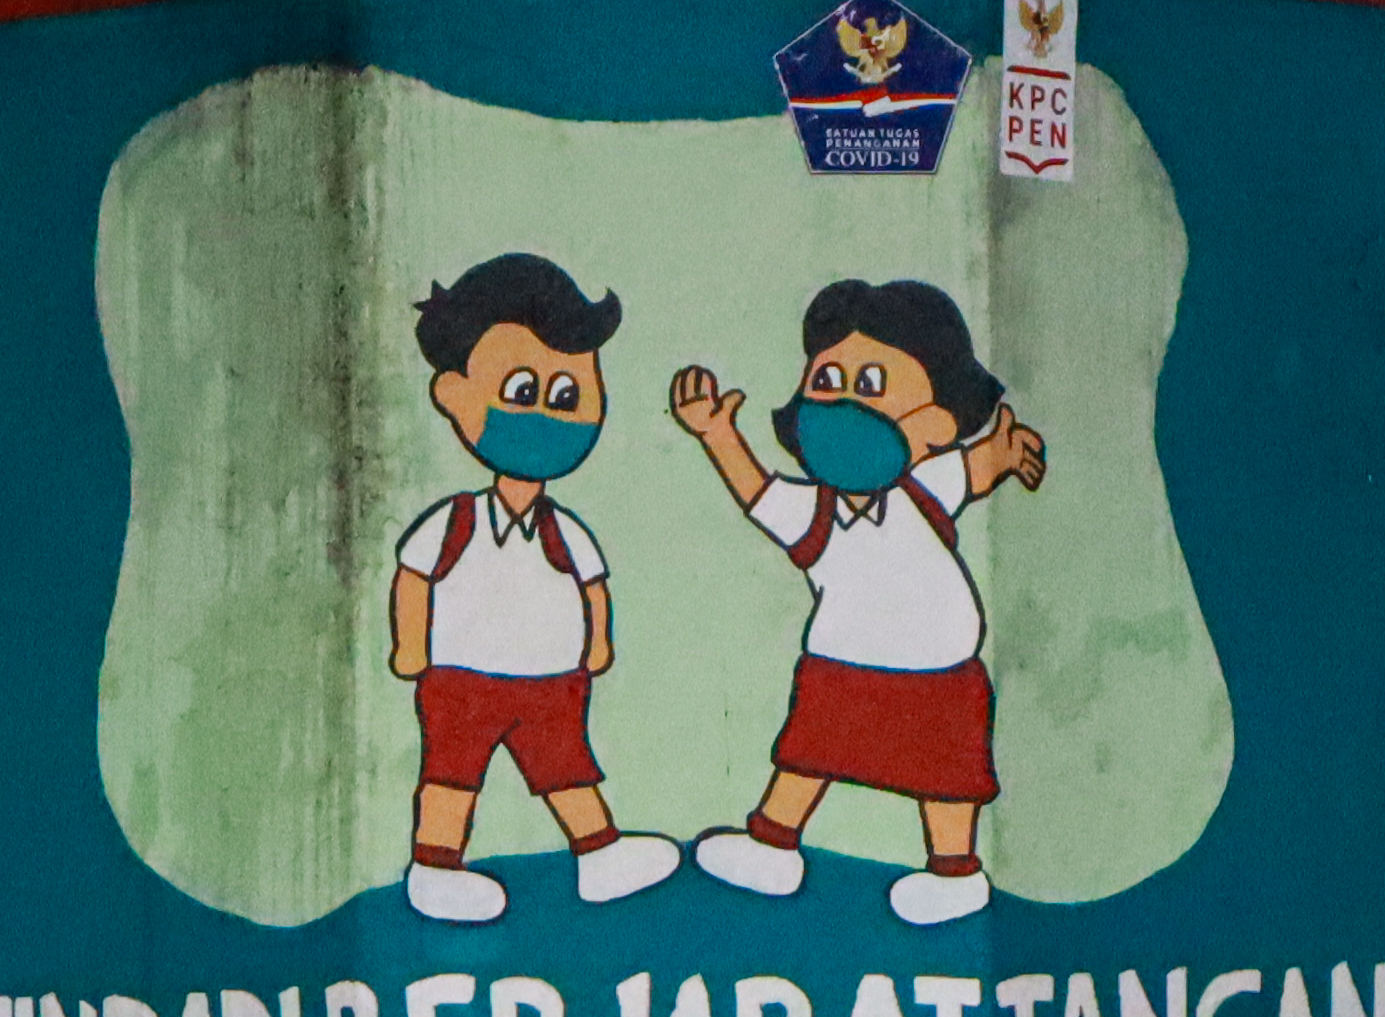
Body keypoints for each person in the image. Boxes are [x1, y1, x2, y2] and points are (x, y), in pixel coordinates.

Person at [670, 276, 1048, 928]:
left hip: (942, 681)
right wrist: (716, 435)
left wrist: (1006, 452)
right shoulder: (810, 510)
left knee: (949, 781)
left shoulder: (927, 487)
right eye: (827, 382)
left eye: (870, 385)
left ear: (935, 423)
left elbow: (975, 464)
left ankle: (953, 873)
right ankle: (772, 845)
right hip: (840, 673)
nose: (843, 403)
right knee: (806, 757)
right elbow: (756, 492)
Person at [389, 252, 681, 925]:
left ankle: (600, 853)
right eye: (524, 392)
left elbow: (592, 586)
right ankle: (435, 865)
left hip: (552, 682)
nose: (548, 414)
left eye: (569, 394)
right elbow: (414, 578)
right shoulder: (454, 522)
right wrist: (411, 649)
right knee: (451, 772)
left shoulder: (565, 529)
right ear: (455, 396)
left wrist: (599, 644)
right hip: (462, 679)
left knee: (567, 767)